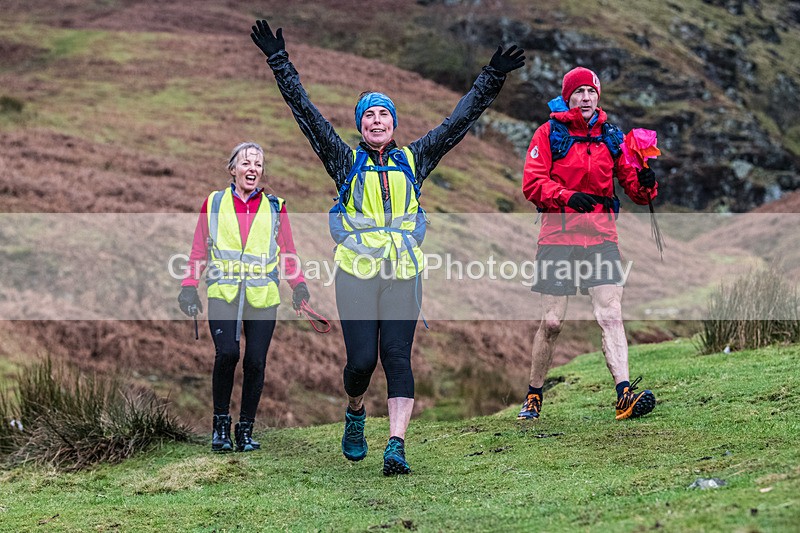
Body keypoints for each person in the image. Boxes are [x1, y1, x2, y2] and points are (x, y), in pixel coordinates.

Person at [250, 19, 524, 475]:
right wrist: (279, 61)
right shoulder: (344, 160)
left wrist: (491, 77)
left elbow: (460, 121)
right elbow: (306, 113)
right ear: (361, 126)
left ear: (394, 124)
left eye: (384, 115)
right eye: (369, 116)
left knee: (397, 357)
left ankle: (395, 445)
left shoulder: (414, 159)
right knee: (361, 361)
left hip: (403, 274)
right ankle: (355, 411)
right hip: (356, 274)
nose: (377, 121)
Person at [519, 67, 658, 422]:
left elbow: (635, 191)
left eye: (590, 92)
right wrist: (567, 197)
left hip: (600, 235)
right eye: (578, 92)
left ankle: (624, 395)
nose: (585, 98)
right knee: (552, 322)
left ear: (598, 97)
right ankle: (534, 395)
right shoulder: (548, 133)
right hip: (557, 236)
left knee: (610, 314)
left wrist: (646, 182)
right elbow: (532, 185)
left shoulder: (613, 137)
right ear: (568, 97)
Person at [178, 141, 310, 453]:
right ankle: (220, 427)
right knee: (227, 354)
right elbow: (199, 249)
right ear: (232, 169)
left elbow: (288, 252)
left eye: (258, 164)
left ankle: (246, 430)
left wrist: (299, 286)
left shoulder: (275, 207)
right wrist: (188, 285)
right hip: (223, 292)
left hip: (262, 296)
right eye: (246, 163)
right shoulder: (214, 203)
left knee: (255, 362)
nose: (253, 169)